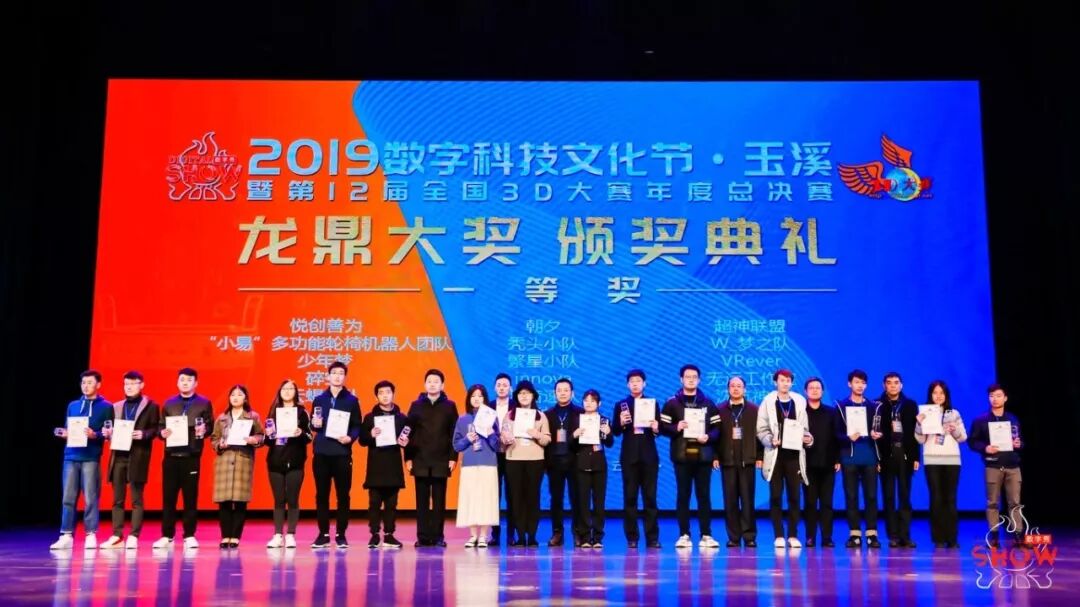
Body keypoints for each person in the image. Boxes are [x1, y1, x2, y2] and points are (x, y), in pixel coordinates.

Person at [50, 370, 114, 550]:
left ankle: (90, 534)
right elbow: (68, 427)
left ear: (98, 385)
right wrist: (64, 433)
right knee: (68, 497)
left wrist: (96, 435)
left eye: (90, 382)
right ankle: (66, 534)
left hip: (90, 457)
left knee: (91, 497)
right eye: (83, 383)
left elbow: (108, 432)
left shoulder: (106, 407)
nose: (86, 386)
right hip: (70, 456)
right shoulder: (73, 405)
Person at [660, 364, 721, 549]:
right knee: (683, 495)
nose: (691, 379)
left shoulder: (708, 403)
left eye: (694, 377)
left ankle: (706, 535)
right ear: (681, 379)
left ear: (699, 380)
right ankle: (684, 535)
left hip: (703, 456)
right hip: (681, 456)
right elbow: (662, 427)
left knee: (704, 496)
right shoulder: (672, 403)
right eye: (688, 377)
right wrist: (676, 427)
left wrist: (708, 437)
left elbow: (717, 428)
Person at [153, 367, 213, 550]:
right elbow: (160, 427)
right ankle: (167, 535)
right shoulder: (169, 403)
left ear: (196, 383)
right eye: (182, 380)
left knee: (190, 497)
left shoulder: (204, 403)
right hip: (171, 456)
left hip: (191, 456)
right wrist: (161, 433)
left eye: (189, 380)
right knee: (168, 498)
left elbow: (210, 426)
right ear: (177, 382)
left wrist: (205, 430)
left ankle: (189, 535)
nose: (185, 383)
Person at [101, 371, 160, 550]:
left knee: (136, 499)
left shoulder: (151, 406)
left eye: (133, 383)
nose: (129, 387)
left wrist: (144, 434)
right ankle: (117, 535)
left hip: (137, 456)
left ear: (141, 385)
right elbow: (110, 429)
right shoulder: (117, 406)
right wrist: (107, 434)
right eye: (126, 384)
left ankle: (134, 535)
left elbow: (156, 429)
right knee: (117, 499)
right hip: (119, 455)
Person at [757, 369, 813, 549]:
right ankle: (779, 535)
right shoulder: (768, 401)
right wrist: (770, 440)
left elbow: (805, 429)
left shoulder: (799, 401)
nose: (785, 383)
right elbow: (761, 429)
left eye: (788, 380)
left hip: (794, 456)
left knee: (794, 497)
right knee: (775, 497)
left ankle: (793, 535)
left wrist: (808, 438)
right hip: (775, 456)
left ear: (791, 383)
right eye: (782, 380)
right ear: (776, 382)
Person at [309, 361, 362, 549]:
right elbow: (313, 425)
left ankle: (341, 534)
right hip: (322, 452)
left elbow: (357, 425)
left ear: (345, 377)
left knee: (343, 495)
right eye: (334, 373)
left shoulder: (352, 400)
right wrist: (314, 424)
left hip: (342, 453)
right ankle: (323, 534)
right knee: (322, 495)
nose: (338, 376)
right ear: (328, 376)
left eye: (341, 373)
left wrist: (350, 437)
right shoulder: (319, 399)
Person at [406, 369, 459, 548]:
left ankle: (438, 536)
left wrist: (453, 457)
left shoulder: (450, 406)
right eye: (429, 381)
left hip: (441, 459)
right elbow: (408, 433)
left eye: (436, 381)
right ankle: (422, 537)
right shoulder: (416, 405)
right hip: (420, 458)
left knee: (439, 501)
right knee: (421, 501)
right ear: (425, 384)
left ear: (442, 385)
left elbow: (454, 433)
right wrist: (408, 458)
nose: (433, 384)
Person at [968, 384, 1023, 548]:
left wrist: (1019, 444)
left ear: (1005, 398)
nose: (995, 399)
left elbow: (1020, 440)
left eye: (998, 396)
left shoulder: (1013, 419)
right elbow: (972, 441)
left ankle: (1018, 535)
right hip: (993, 466)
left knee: (1015, 502)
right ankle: (994, 536)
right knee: (992, 503)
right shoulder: (981, 420)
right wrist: (985, 448)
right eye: (992, 396)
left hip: (1012, 466)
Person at [611, 369, 662, 549]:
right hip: (629, 456)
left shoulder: (652, 404)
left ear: (644, 384)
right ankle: (632, 537)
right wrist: (620, 422)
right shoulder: (621, 405)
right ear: (627, 385)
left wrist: (656, 427)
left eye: (638, 381)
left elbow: (659, 431)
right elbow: (615, 431)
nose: (635, 384)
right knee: (630, 498)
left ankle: (652, 538)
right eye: (632, 381)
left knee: (650, 498)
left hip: (649, 455)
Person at [915, 380, 968, 549]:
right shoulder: (924, 413)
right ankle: (938, 538)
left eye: (941, 393)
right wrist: (919, 424)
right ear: (930, 395)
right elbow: (920, 439)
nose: (938, 396)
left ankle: (952, 538)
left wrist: (954, 429)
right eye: (935, 393)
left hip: (952, 459)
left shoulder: (954, 413)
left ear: (946, 395)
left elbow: (963, 438)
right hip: (932, 459)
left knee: (950, 498)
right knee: (936, 498)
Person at [210, 385, 265, 548]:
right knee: (224, 501)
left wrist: (254, 440)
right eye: (232, 395)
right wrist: (219, 444)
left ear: (245, 398)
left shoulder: (252, 416)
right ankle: (225, 536)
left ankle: (235, 536)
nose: (235, 397)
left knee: (240, 500)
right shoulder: (222, 418)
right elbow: (214, 438)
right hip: (224, 461)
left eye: (239, 395)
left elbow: (261, 435)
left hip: (242, 460)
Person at [358, 380, 410, 549]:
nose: (385, 395)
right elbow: (362, 440)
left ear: (393, 394)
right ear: (376, 396)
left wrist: (405, 442)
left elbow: (408, 440)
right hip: (376, 466)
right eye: (381, 393)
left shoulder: (402, 418)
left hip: (393, 465)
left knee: (391, 504)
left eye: (388, 392)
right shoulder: (370, 418)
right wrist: (370, 434)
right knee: (374, 502)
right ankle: (374, 534)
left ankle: (389, 535)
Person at [834, 369, 882, 548]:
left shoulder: (873, 406)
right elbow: (836, 434)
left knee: (871, 496)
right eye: (856, 382)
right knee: (851, 496)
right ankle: (854, 534)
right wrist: (847, 438)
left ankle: (872, 534)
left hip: (869, 457)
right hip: (849, 458)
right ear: (849, 384)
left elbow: (880, 431)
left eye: (863, 383)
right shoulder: (841, 406)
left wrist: (877, 435)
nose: (860, 385)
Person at [713, 375, 762, 548]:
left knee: (748, 500)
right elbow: (714, 436)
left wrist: (760, 456)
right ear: (728, 389)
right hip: (727, 461)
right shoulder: (719, 409)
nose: (735, 388)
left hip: (747, 461)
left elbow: (760, 435)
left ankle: (749, 536)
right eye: (732, 386)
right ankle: (733, 537)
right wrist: (715, 456)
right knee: (730, 501)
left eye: (739, 386)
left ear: (744, 389)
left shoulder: (754, 409)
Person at [500, 380, 551, 547]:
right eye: (521, 393)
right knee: (516, 498)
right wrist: (505, 439)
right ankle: (520, 535)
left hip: (535, 460)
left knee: (532, 497)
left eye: (527, 393)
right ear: (516, 396)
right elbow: (502, 438)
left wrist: (537, 434)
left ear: (533, 396)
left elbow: (547, 440)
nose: (524, 396)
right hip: (513, 459)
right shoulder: (509, 416)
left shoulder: (541, 416)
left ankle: (532, 535)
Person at [264, 379, 311, 549]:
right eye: (284, 388)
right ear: (280, 391)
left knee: (292, 498)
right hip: (275, 461)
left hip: (295, 461)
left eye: (291, 388)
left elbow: (309, 437)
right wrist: (270, 435)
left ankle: (290, 534)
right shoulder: (273, 411)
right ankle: (277, 535)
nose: (287, 391)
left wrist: (300, 433)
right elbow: (267, 441)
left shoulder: (302, 412)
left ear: (296, 392)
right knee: (278, 499)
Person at [452, 385, 501, 548]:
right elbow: (457, 446)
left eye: (480, 396)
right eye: (473, 396)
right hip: (469, 465)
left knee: (486, 499)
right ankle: (473, 535)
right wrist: (467, 439)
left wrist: (491, 433)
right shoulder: (462, 419)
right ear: (469, 399)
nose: (476, 399)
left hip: (488, 464)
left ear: (485, 399)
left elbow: (497, 446)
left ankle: (483, 536)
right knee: (471, 499)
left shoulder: (492, 417)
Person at [876, 371, 919, 548]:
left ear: (901, 385)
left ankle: (905, 535)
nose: (893, 385)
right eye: (889, 382)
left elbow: (915, 433)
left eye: (896, 382)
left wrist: (915, 456)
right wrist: (877, 459)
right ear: (884, 385)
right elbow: (875, 434)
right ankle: (893, 536)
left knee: (905, 496)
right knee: (888, 497)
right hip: (886, 455)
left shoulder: (910, 405)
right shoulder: (877, 405)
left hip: (905, 454)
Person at [568, 389, 614, 548]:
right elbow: (570, 445)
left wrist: (608, 433)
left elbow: (609, 443)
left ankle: (598, 537)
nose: (588, 403)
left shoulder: (604, 420)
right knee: (583, 502)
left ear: (599, 403)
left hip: (599, 464)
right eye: (586, 400)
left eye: (592, 401)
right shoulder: (576, 420)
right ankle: (585, 537)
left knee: (599, 502)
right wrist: (574, 435)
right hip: (581, 464)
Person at [544, 378, 584, 547]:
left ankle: (578, 533)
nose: (562, 393)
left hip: (575, 461)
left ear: (572, 393)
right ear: (554, 393)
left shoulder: (580, 413)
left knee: (577, 498)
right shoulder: (547, 414)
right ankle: (557, 533)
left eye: (566, 390)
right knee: (556, 499)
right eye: (559, 390)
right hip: (554, 462)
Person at [802, 377, 840, 548]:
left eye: (818, 388)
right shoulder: (801, 412)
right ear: (805, 391)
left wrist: (837, 459)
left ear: (822, 392)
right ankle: (810, 536)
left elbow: (837, 437)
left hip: (828, 463)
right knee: (810, 503)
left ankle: (826, 537)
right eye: (811, 388)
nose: (815, 390)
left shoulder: (831, 412)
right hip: (807, 465)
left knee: (826, 503)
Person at [491, 372, 514, 546]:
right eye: (499, 385)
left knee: (512, 495)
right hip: (493, 455)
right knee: (494, 495)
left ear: (510, 388)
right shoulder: (488, 407)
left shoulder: (517, 407)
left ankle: (512, 534)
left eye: (505, 385)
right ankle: (495, 534)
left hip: (512, 454)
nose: (502, 388)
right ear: (494, 388)